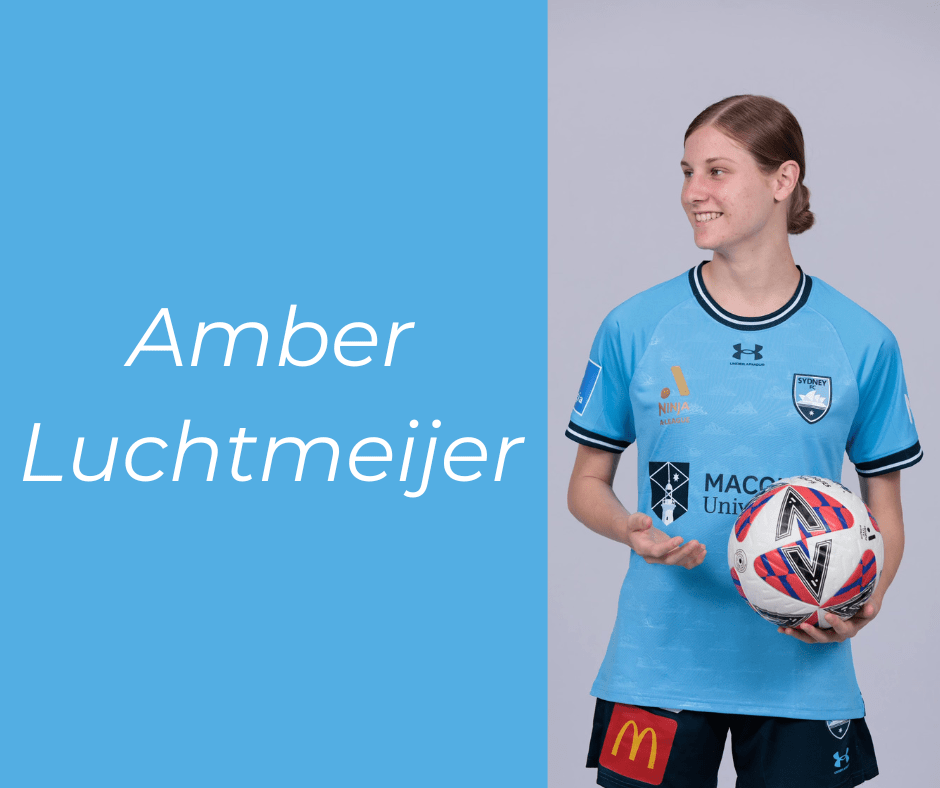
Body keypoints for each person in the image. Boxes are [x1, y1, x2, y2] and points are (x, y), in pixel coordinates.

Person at [565, 95, 922, 788]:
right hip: (657, 668)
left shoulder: (860, 339)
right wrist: (630, 529)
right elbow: (585, 486)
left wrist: (863, 601)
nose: (693, 192)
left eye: (718, 171)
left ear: (783, 179)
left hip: (800, 670)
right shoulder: (637, 326)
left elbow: (886, 510)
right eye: (688, 171)